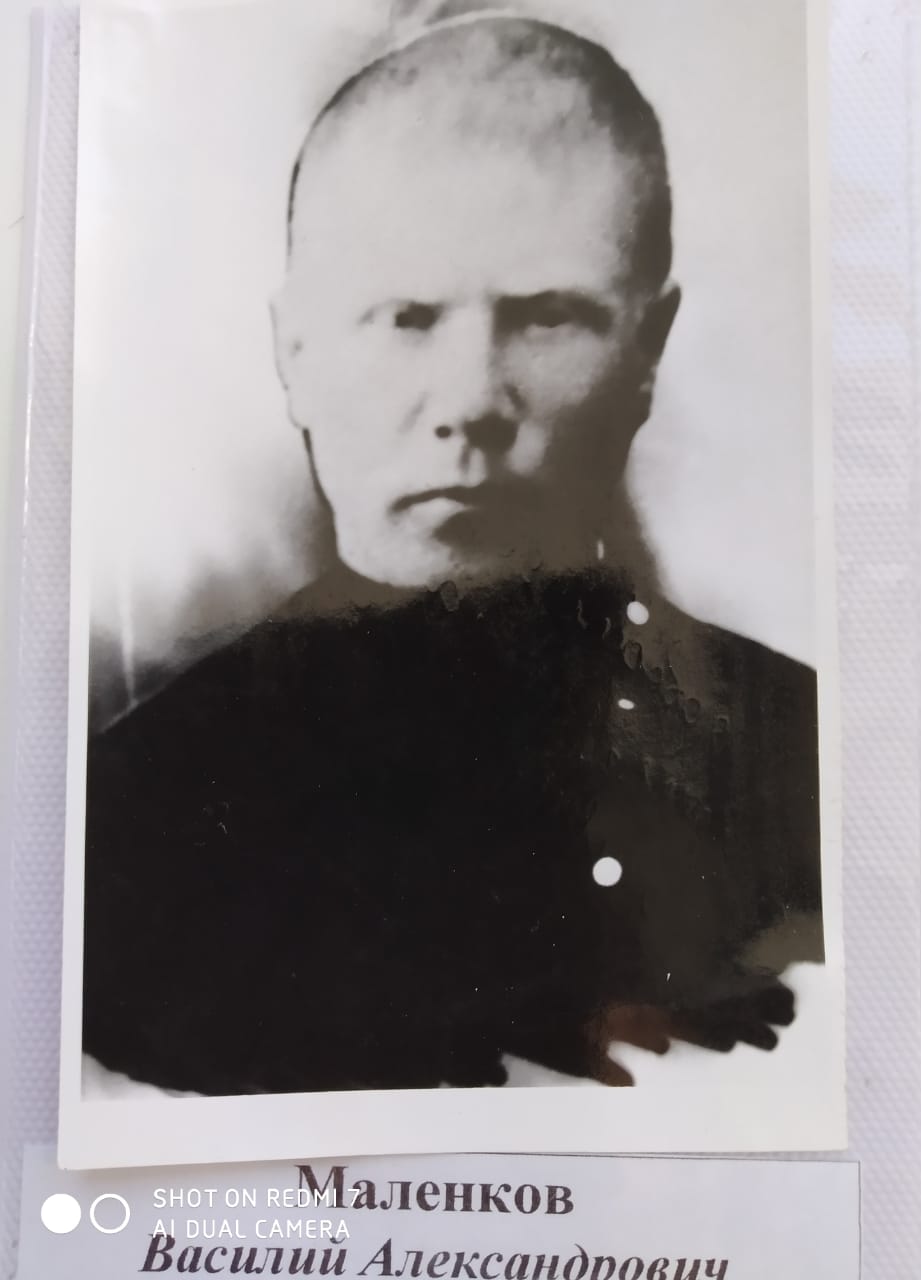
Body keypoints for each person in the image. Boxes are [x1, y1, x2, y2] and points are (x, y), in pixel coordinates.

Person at [81, 9, 821, 1094]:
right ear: (294, 353)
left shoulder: (804, 768)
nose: (470, 400)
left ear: (647, 350)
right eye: (405, 317)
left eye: (548, 316)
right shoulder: (133, 817)